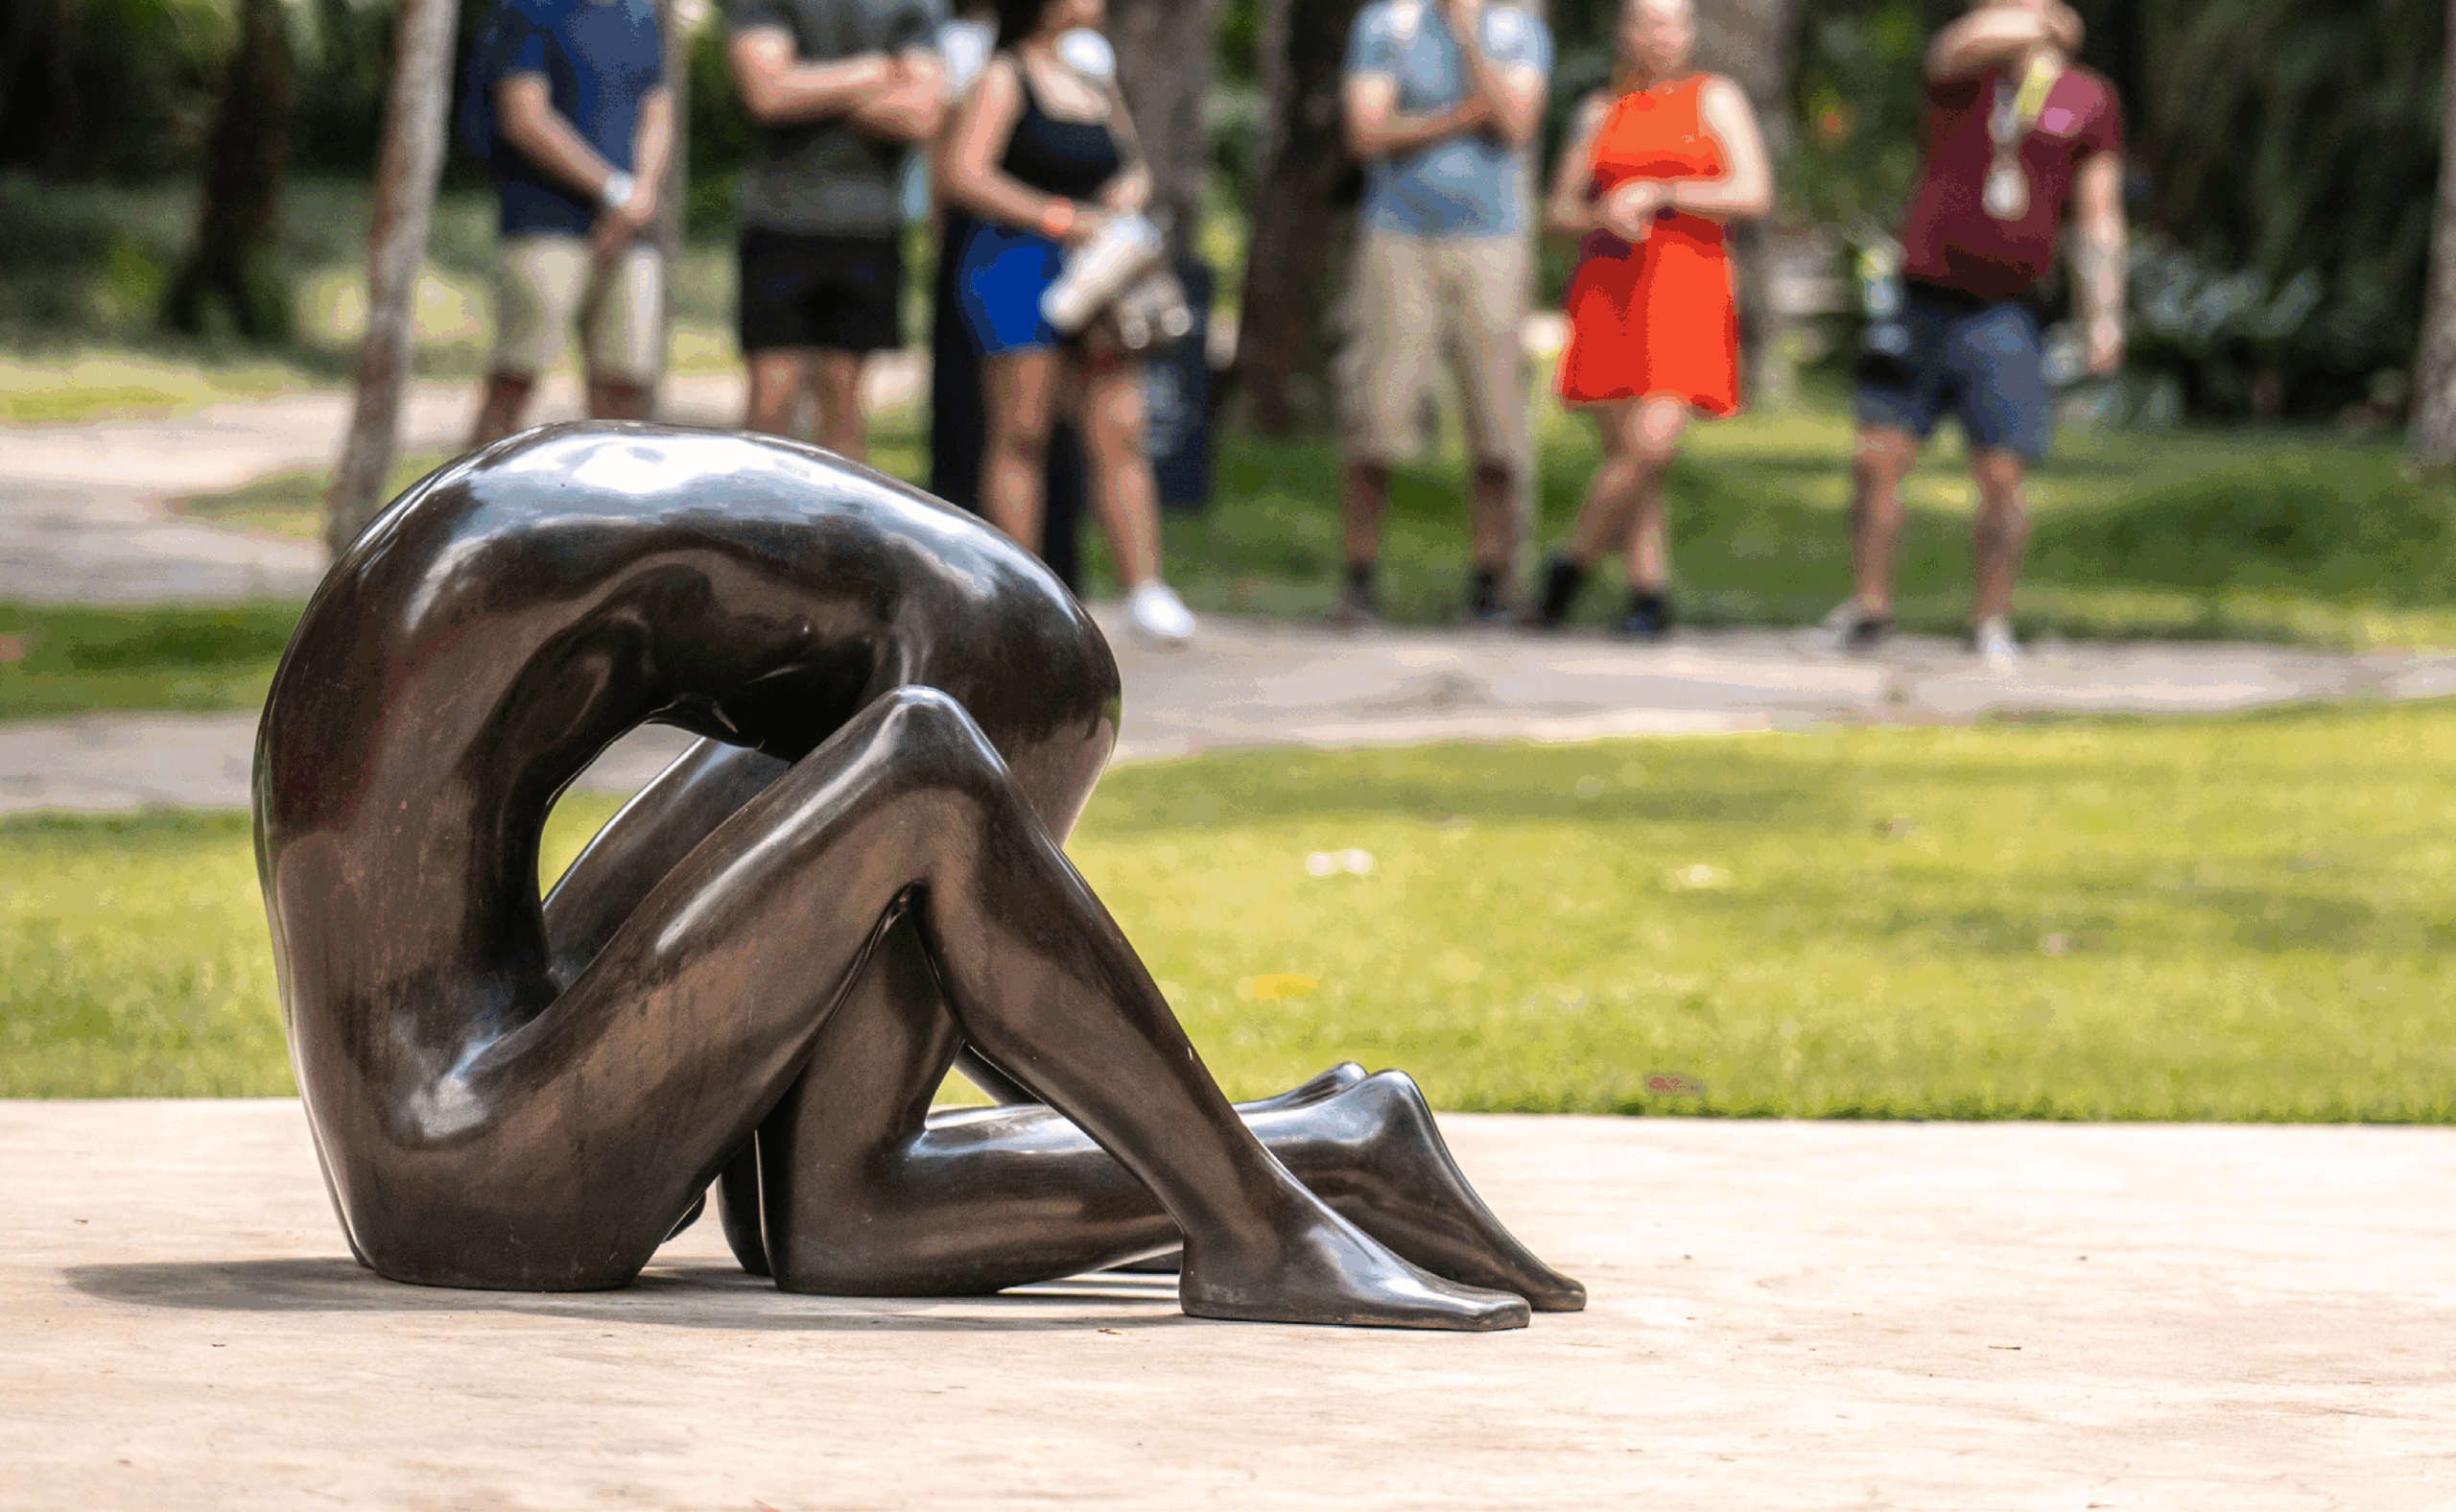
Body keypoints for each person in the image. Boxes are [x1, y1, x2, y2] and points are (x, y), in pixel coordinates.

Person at [260, 423, 1582, 1325]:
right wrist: (1186, 1143)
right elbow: (968, 913)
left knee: (819, 1196)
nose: (1030, 829)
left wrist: (1133, 1096)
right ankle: (1270, 1216)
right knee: (924, 778)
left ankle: (1319, 1160)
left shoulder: (573, 545)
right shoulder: (966, 642)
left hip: (463, 1071)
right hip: (467, 1179)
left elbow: (979, 956)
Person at [1829, 0, 2127, 665]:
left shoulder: (2086, 99)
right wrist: (2043, 20)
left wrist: (2105, 314)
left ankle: (1990, 619)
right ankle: (1869, 606)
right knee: (1878, 457)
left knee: (2001, 474)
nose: (1999, 5)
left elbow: (2099, 216)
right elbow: (1959, 43)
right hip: (1923, 297)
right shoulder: (1963, 77)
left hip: (2008, 309)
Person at [936, 0, 1195, 648]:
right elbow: (963, 172)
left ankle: (1146, 588)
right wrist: (1056, 217)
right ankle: (1023, 597)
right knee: (1021, 430)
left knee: (1120, 427)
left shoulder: (1093, 73)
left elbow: (1131, 162)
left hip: (1097, 275)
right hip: (1014, 269)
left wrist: (1123, 199)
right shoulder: (1004, 75)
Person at [1334, 0, 1552, 627]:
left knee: (1495, 419)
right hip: (1397, 233)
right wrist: (1463, 114)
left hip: (1492, 237)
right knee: (1378, 411)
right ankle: (1358, 579)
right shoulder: (1387, 23)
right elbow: (1367, 133)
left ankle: (1491, 581)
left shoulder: (1518, 31)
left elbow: (1517, 125)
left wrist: (1468, 39)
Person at [1529, 0, 1772, 636]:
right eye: (1647, 20)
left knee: (1651, 448)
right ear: (1625, 30)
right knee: (1629, 461)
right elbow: (1559, 209)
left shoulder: (1716, 99)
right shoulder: (1598, 111)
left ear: (1689, 32)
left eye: (1672, 21)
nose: (1660, 34)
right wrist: (1603, 212)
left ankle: (1567, 567)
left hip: (1689, 286)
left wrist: (1662, 191)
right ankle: (1648, 596)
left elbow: (1752, 192)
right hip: (1612, 287)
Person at [725, 0, 951, 461]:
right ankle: (749, 517)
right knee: (769, 405)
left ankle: (836, 526)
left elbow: (921, 115)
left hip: (868, 225)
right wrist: (876, 70)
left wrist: (807, 83)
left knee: (845, 411)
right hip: (779, 218)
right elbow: (766, 95)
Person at [465, 0, 671, 450]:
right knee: (515, 380)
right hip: (545, 222)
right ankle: (471, 503)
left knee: (624, 391)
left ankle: (614, 506)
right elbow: (524, 116)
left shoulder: (640, 7)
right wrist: (614, 189)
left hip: (627, 229)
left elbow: (658, 109)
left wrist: (639, 196)